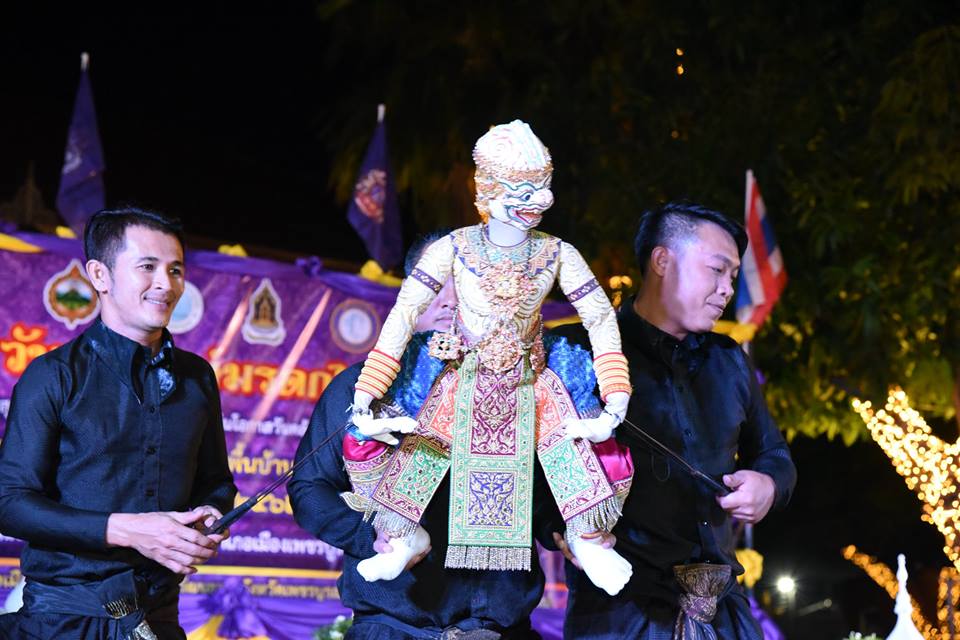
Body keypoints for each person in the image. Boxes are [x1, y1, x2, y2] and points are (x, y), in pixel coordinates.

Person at [347, 120, 635, 597]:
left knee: (580, 439)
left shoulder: (558, 253)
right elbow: (405, 313)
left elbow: (601, 318)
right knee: (404, 437)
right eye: (525, 190)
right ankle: (401, 536)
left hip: (531, 378)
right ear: (488, 189)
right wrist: (367, 390)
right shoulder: (453, 248)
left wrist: (616, 397)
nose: (540, 200)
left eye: (544, 187)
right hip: (463, 374)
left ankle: (588, 540)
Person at [289, 231, 565, 639]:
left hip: (499, 628)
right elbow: (309, 487)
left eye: (465, 284)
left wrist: (565, 529)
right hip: (393, 626)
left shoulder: (526, 391)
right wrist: (372, 536)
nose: (450, 300)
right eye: (434, 285)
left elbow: (541, 495)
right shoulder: (364, 389)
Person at [560, 201, 798, 639]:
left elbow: (773, 452)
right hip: (620, 612)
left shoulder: (729, 359)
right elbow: (530, 464)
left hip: (723, 609)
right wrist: (557, 531)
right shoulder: (577, 353)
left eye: (732, 277)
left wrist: (768, 484)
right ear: (662, 261)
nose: (727, 290)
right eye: (717, 270)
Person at [0, 207, 236, 640]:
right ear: (100, 275)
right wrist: (127, 530)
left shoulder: (197, 377)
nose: (166, 284)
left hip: (159, 617)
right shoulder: (53, 375)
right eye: (147, 267)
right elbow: (9, 502)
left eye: (175, 269)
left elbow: (216, 482)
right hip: (63, 621)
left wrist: (210, 513)